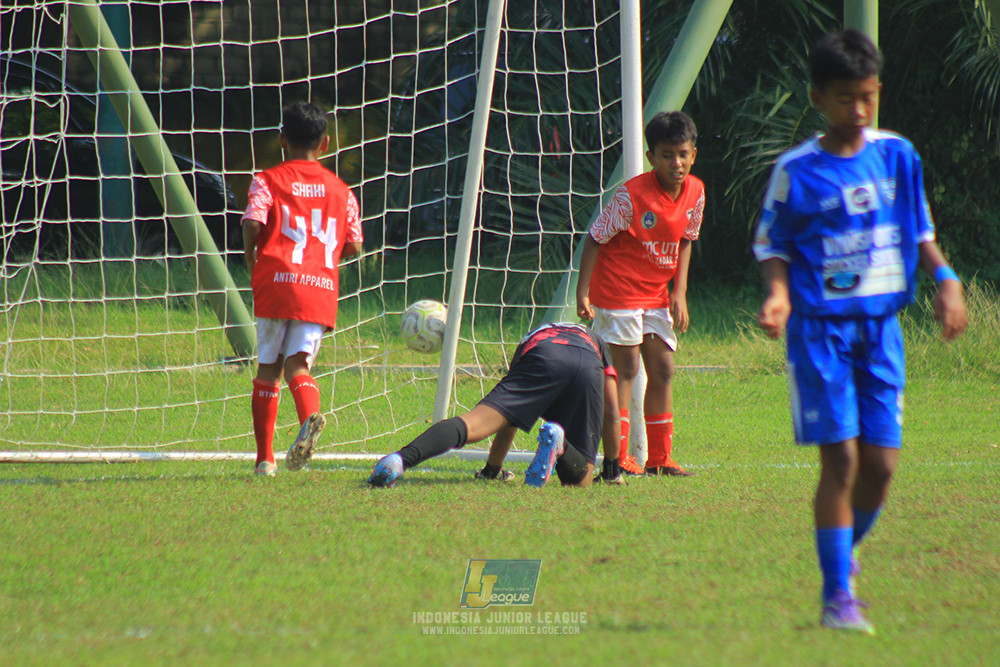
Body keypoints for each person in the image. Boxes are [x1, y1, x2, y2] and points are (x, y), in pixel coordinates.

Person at [753, 30, 968, 634]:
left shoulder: (898, 155)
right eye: (846, 99)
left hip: (882, 332)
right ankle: (836, 598)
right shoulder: (797, 171)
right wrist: (777, 294)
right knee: (842, 461)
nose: (858, 112)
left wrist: (947, 281)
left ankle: (842, 556)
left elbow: (920, 230)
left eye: (868, 98)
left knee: (882, 466)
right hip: (820, 334)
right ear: (818, 97)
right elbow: (772, 244)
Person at [576, 110, 704, 477]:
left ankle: (660, 460)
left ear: (693, 154)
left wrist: (679, 292)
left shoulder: (696, 192)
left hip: (656, 295)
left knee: (663, 369)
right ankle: (618, 458)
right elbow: (595, 238)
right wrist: (582, 293)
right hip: (618, 291)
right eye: (666, 155)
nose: (676, 163)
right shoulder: (631, 197)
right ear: (651, 157)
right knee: (626, 370)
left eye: (682, 154)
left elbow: (686, 240)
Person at [242, 101, 364, 476]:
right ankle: (310, 416)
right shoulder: (342, 191)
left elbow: (252, 220)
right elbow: (356, 245)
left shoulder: (267, 179)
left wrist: (252, 256)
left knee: (268, 370)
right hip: (317, 287)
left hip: (276, 282)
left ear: (282, 138)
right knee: (298, 365)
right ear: (325, 143)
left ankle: (265, 459)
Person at [367, 322, 623, 488]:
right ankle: (561, 446)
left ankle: (399, 460)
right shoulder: (596, 340)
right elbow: (612, 412)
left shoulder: (533, 336)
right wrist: (611, 470)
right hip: (587, 365)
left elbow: (511, 418)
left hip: (542, 355)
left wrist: (493, 469)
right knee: (582, 481)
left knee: (472, 423)